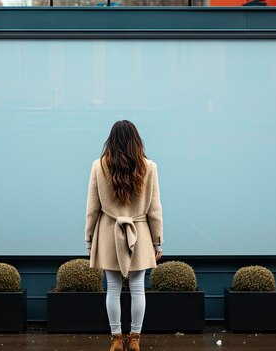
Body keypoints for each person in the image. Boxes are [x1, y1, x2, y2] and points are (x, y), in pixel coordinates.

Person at [85, 120, 163, 351]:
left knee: (113, 288)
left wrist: (89, 239)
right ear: (137, 140)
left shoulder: (98, 166)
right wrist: (158, 241)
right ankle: (135, 339)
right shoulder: (149, 167)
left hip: (109, 232)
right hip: (140, 232)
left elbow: (92, 208)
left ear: (111, 140)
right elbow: (155, 210)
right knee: (138, 288)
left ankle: (117, 338)